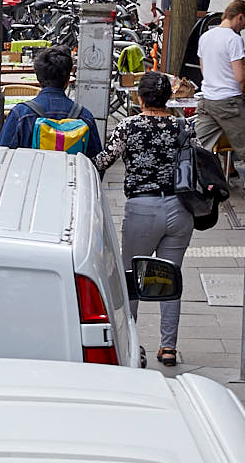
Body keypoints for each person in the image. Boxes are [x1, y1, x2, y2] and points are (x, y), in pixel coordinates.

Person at [93, 72, 197, 368]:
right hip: (179, 209)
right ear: (168, 98)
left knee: (132, 278)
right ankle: (168, 348)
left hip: (142, 209)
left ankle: (131, 343)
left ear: (140, 98)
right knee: (171, 277)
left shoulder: (129, 126)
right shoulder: (182, 126)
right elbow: (197, 159)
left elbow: (104, 161)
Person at [0, 45, 103, 156]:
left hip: (31, 173)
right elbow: (97, 163)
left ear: (38, 78)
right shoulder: (84, 116)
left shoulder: (20, 114)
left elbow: (4, 156)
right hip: (69, 173)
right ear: (68, 80)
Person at [195, 0, 245, 155]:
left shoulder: (205, 37)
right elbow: (240, 77)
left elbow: (204, 70)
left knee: (197, 145)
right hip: (229, 103)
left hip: (207, 101)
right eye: (244, 24)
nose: (243, 28)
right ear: (240, 17)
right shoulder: (234, 39)